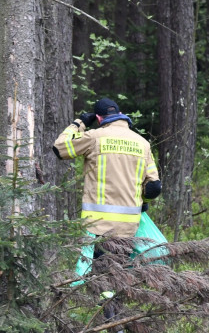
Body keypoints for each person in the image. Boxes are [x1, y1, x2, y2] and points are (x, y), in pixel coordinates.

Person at [53, 97, 162, 238]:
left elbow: (59, 148)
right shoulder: (143, 144)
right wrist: (143, 202)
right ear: (120, 113)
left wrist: (79, 123)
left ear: (98, 118)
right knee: (123, 261)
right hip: (129, 227)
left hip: (98, 226)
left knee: (101, 261)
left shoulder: (94, 137)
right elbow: (153, 187)